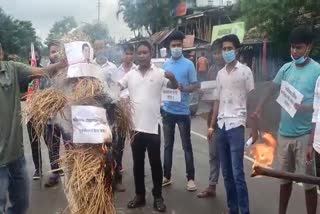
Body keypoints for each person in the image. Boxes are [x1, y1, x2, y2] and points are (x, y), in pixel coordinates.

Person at [252, 26, 319, 214]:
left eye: (298, 48)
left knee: (309, 183)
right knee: (284, 180)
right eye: (292, 48)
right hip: (284, 134)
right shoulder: (286, 69)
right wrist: (258, 108)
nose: (294, 52)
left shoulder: (317, 71)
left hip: (305, 136)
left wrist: (303, 108)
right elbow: (271, 89)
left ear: (309, 47)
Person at [0, 41, 65, 214]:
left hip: (16, 156)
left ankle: (53, 169)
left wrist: (63, 63)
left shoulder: (12, 69)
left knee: (21, 204)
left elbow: (45, 72)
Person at [119, 40, 178, 212]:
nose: (142, 55)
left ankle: (158, 197)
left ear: (151, 54)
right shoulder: (130, 74)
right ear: (136, 55)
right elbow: (117, 86)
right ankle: (140, 196)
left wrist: (173, 78)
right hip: (135, 127)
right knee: (138, 164)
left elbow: (174, 88)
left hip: (153, 127)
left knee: (155, 164)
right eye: (140, 53)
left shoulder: (160, 73)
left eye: (146, 52)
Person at [209, 34, 254, 214]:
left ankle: (244, 211)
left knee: (237, 174)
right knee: (226, 173)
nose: (226, 52)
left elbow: (251, 100)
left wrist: (254, 128)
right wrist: (212, 125)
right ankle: (232, 208)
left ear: (236, 50)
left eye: (229, 49)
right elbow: (216, 101)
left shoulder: (245, 71)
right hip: (221, 126)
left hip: (236, 125)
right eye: (224, 49)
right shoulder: (220, 74)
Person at [161, 31, 198, 191]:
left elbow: (195, 85)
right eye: (173, 45)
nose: (176, 48)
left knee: (186, 146)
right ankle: (166, 176)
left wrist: (186, 88)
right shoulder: (165, 65)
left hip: (183, 112)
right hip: (168, 111)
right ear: (169, 48)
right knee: (168, 146)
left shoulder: (189, 64)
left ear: (182, 46)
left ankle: (190, 179)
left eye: (179, 45)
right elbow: (162, 85)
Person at [197, 38, 225, 198]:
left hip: (229, 119)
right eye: (215, 53)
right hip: (213, 120)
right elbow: (210, 98)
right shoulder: (212, 70)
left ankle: (233, 194)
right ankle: (212, 186)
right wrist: (203, 94)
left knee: (228, 158)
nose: (218, 55)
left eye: (220, 51)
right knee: (213, 154)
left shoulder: (234, 70)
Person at [112, 43, 136, 192]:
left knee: (136, 144)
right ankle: (117, 176)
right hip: (120, 112)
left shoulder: (137, 70)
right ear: (121, 55)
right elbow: (114, 90)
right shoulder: (116, 71)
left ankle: (139, 174)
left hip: (135, 112)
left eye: (129, 53)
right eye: (124, 53)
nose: (127, 56)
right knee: (118, 146)